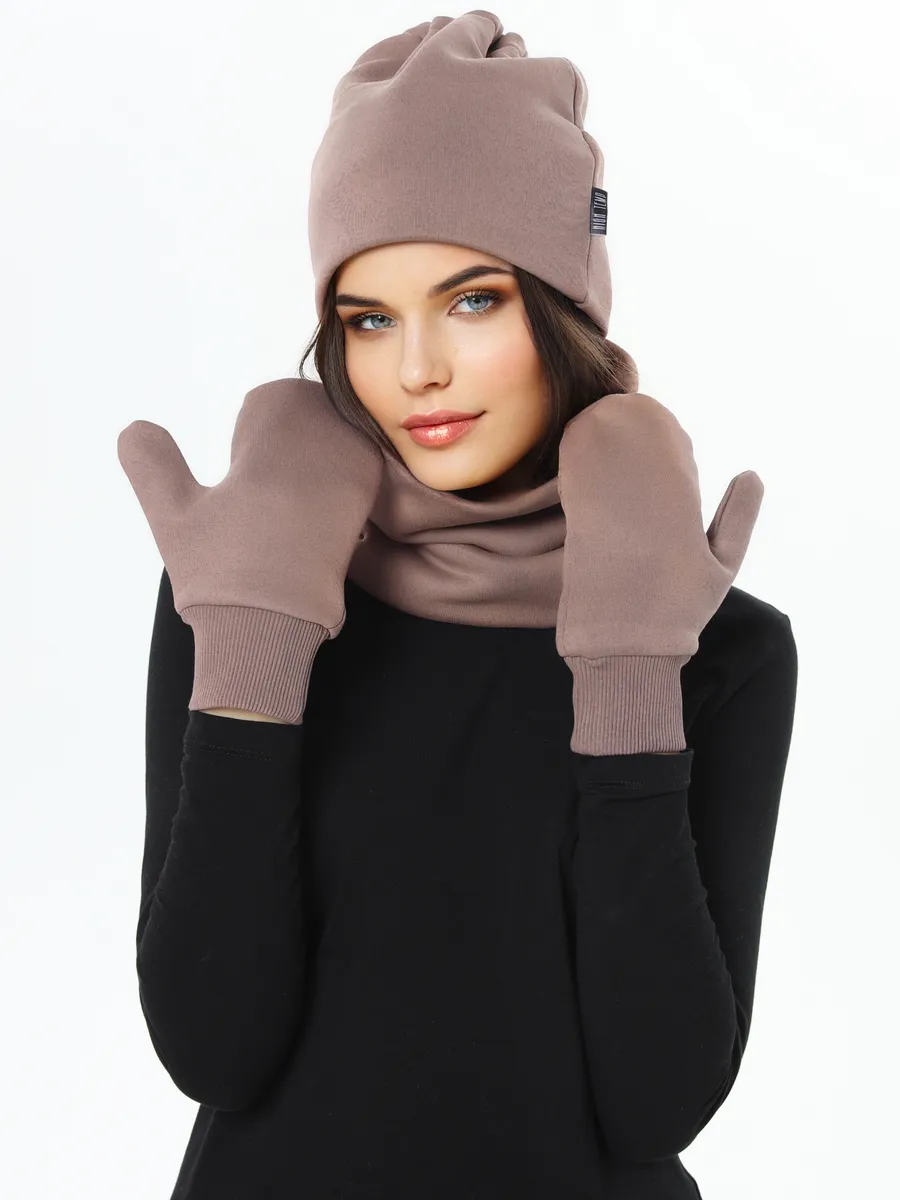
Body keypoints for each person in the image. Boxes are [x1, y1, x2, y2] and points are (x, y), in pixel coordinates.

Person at [117, 11, 798, 1198]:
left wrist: (630, 666)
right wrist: (256, 646)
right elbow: (213, 1047)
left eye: (472, 301)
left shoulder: (718, 644)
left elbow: (657, 1099)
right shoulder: (242, 587)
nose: (415, 369)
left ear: (562, 305)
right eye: (368, 318)